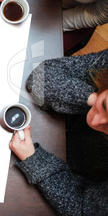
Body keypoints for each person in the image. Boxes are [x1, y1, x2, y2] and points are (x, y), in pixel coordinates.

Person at [9, 49, 108, 215]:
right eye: (105, 106)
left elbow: (82, 210)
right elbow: (41, 78)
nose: (95, 122)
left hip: (77, 177)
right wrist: (92, 99)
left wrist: (35, 161)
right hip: (58, 129)